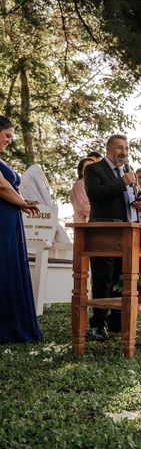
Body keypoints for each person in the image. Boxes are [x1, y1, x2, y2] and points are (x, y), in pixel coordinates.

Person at [84, 134, 141, 341]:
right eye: (120, 148)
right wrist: (122, 183)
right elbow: (95, 194)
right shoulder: (93, 169)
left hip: (125, 233)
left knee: (122, 276)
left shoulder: (127, 171)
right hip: (104, 232)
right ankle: (98, 324)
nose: (124, 152)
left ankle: (117, 322)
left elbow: (129, 198)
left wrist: (137, 203)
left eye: (126, 148)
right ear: (109, 148)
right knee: (103, 278)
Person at [0, 116, 42, 343]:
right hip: (2, 220)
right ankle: (6, 325)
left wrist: (23, 203)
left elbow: (9, 188)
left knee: (9, 265)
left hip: (9, 218)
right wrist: (22, 203)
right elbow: (1, 186)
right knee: (3, 266)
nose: (9, 140)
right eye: (7, 135)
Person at [70, 157, 95, 223]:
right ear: (81, 171)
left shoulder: (99, 185)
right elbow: (83, 207)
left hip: (99, 224)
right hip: (83, 226)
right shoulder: (79, 184)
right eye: (88, 168)